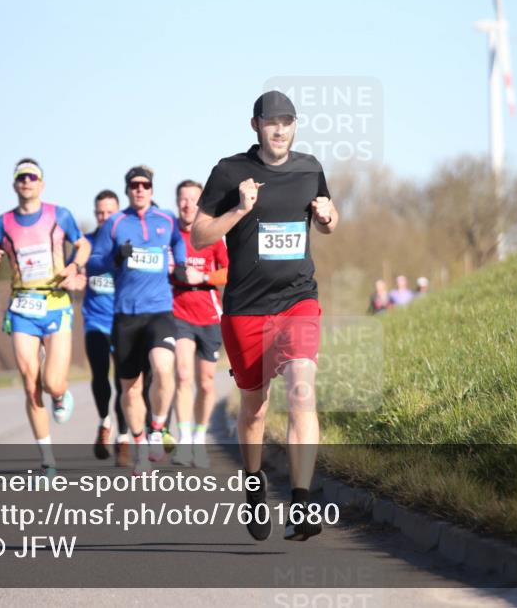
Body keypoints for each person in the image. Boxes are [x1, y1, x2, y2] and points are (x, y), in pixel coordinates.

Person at [192, 90, 337, 542]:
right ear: (255, 125)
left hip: (298, 300)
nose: (279, 129)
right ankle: (254, 488)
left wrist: (328, 217)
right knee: (254, 409)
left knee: (301, 391)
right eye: (271, 122)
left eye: (287, 122)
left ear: (295, 125)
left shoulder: (310, 168)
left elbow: (328, 220)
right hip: (246, 310)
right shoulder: (229, 171)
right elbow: (199, 236)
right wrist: (239, 209)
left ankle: (301, 502)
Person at [0, 159, 88, 476]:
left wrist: (74, 266)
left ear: (41, 184)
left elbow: (82, 245)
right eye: (21, 177)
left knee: (51, 382)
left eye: (32, 176)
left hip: (55, 303)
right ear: (14, 184)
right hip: (22, 307)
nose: (26, 181)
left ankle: (60, 395)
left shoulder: (59, 215)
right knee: (30, 385)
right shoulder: (1, 223)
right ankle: (47, 462)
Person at [88, 165, 188, 475]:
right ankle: (140, 444)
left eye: (145, 185)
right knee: (130, 389)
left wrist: (180, 262)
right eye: (134, 185)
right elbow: (94, 262)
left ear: (152, 189)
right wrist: (115, 258)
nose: (140, 189)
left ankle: (157, 428)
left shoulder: (166, 219)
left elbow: (179, 241)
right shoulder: (115, 223)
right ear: (128, 190)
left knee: (163, 368)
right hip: (126, 316)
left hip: (159, 311)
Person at [170, 179, 229, 469]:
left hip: (208, 315)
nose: (188, 204)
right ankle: (183, 441)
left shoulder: (211, 235)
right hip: (178, 311)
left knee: (205, 382)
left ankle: (198, 438)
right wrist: (170, 270)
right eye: (183, 199)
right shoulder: (169, 234)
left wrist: (204, 277)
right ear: (177, 202)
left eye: (193, 199)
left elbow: (230, 271)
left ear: (201, 202)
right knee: (183, 375)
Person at [81, 189, 133, 466]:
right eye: (99, 213)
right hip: (95, 320)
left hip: (123, 320)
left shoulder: (128, 243)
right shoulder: (85, 243)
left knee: (123, 381)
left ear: (118, 213)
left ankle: (123, 437)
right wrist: (74, 276)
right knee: (100, 374)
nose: (104, 217)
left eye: (109, 212)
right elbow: (74, 270)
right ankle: (104, 422)